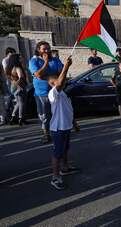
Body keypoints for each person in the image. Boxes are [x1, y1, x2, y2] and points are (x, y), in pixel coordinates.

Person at [47, 56, 79, 190]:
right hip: (58, 128)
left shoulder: (63, 94)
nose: (62, 80)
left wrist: (74, 123)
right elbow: (59, 84)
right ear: (52, 82)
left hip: (66, 127)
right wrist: (66, 67)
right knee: (58, 152)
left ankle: (65, 168)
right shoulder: (53, 93)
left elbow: (68, 110)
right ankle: (55, 177)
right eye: (58, 78)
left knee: (65, 149)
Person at [29, 41, 64, 143]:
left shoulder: (55, 59)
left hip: (55, 90)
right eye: (44, 49)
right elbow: (38, 75)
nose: (47, 51)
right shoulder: (34, 61)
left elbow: (60, 72)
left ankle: (57, 132)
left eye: (48, 48)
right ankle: (46, 134)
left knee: (57, 112)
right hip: (41, 93)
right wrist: (45, 62)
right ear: (38, 50)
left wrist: (62, 67)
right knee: (45, 115)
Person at [6, 54, 28, 126]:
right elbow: (21, 77)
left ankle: (13, 117)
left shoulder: (10, 68)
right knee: (22, 103)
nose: (22, 59)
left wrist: (15, 84)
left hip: (13, 87)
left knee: (18, 103)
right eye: (20, 58)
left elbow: (10, 78)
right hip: (20, 87)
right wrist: (18, 86)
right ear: (16, 59)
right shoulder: (18, 68)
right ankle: (21, 119)